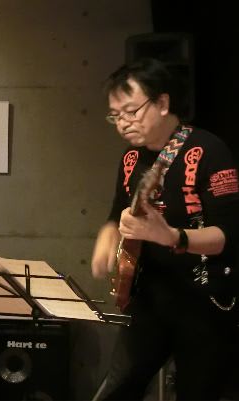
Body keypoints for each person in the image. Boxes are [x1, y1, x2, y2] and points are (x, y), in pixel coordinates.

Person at [91, 58, 239, 400]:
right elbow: (117, 211)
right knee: (119, 387)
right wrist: (108, 235)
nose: (123, 122)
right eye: (115, 115)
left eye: (131, 111)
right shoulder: (131, 158)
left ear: (162, 103)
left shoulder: (209, 150)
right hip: (150, 297)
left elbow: (228, 236)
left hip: (205, 300)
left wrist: (173, 236)